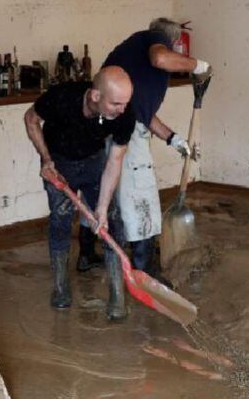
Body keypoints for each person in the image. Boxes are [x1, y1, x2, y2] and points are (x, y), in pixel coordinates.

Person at [95, 17, 213, 280]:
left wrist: (173, 139)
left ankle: (91, 255)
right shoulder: (154, 40)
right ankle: (145, 269)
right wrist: (198, 65)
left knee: (115, 194)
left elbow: (143, 114)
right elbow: (160, 58)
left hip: (112, 126)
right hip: (124, 129)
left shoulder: (135, 57)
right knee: (142, 194)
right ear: (173, 41)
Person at [24, 67, 135, 321]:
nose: (122, 110)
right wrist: (46, 160)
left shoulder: (125, 114)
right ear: (95, 96)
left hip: (95, 161)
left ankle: (117, 296)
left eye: (125, 103)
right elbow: (30, 119)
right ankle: (60, 287)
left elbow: (115, 161)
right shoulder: (62, 98)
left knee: (111, 222)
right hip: (59, 163)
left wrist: (102, 208)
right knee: (61, 221)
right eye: (115, 103)